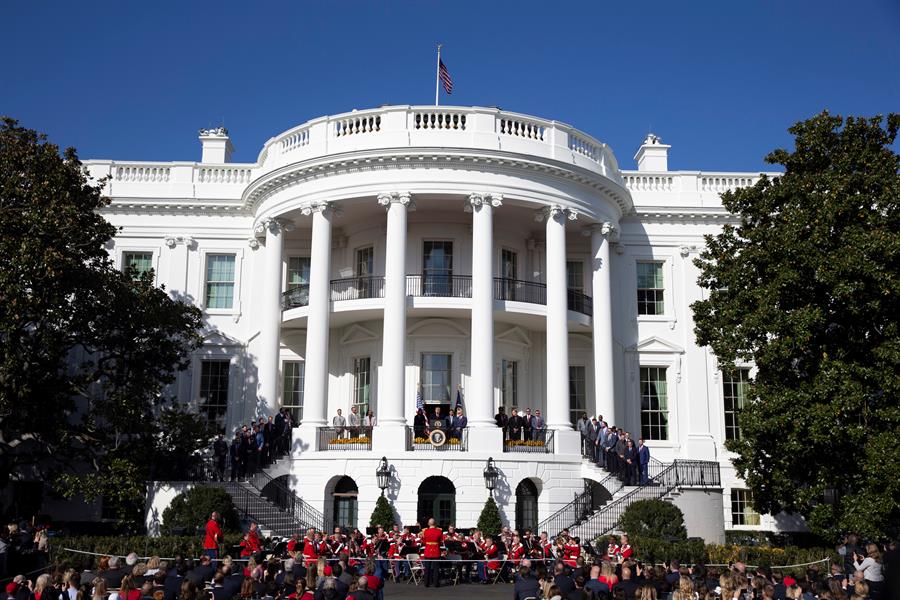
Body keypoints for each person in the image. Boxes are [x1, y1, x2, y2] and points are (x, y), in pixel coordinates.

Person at [421, 518, 443, 588]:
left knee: (427, 568)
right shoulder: (439, 531)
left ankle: (426, 583)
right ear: (435, 523)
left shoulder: (425, 531)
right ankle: (436, 583)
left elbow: (424, 542)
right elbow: (440, 542)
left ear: (428, 524)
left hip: (428, 551)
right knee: (436, 568)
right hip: (436, 551)